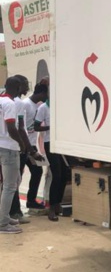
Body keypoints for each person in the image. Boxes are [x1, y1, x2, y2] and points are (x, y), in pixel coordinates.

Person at [0, 77, 33, 234]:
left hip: (2, 146)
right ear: (18, 87)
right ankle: (3, 224)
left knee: (13, 182)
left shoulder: (1, 101)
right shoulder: (10, 104)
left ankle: (4, 216)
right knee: (10, 186)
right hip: (9, 148)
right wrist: (21, 144)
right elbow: (12, 127)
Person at [11, 79, 47, 219]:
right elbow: (21, 128)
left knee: (37, 171)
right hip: (24, 146)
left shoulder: (36, 105)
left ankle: (31, 201)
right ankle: (15, 210)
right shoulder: (24, 105)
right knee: (16, 178)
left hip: (30, 145)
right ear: (42, 93)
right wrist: (28, 149)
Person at [34, 94, 67, 222]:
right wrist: (50, 127)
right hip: (50, 143)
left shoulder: (61, 106)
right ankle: (52, 207)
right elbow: (36, 126)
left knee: (64, 174)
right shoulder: (43, 108)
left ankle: (58, 203)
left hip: (62, 142)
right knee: (56, 174)